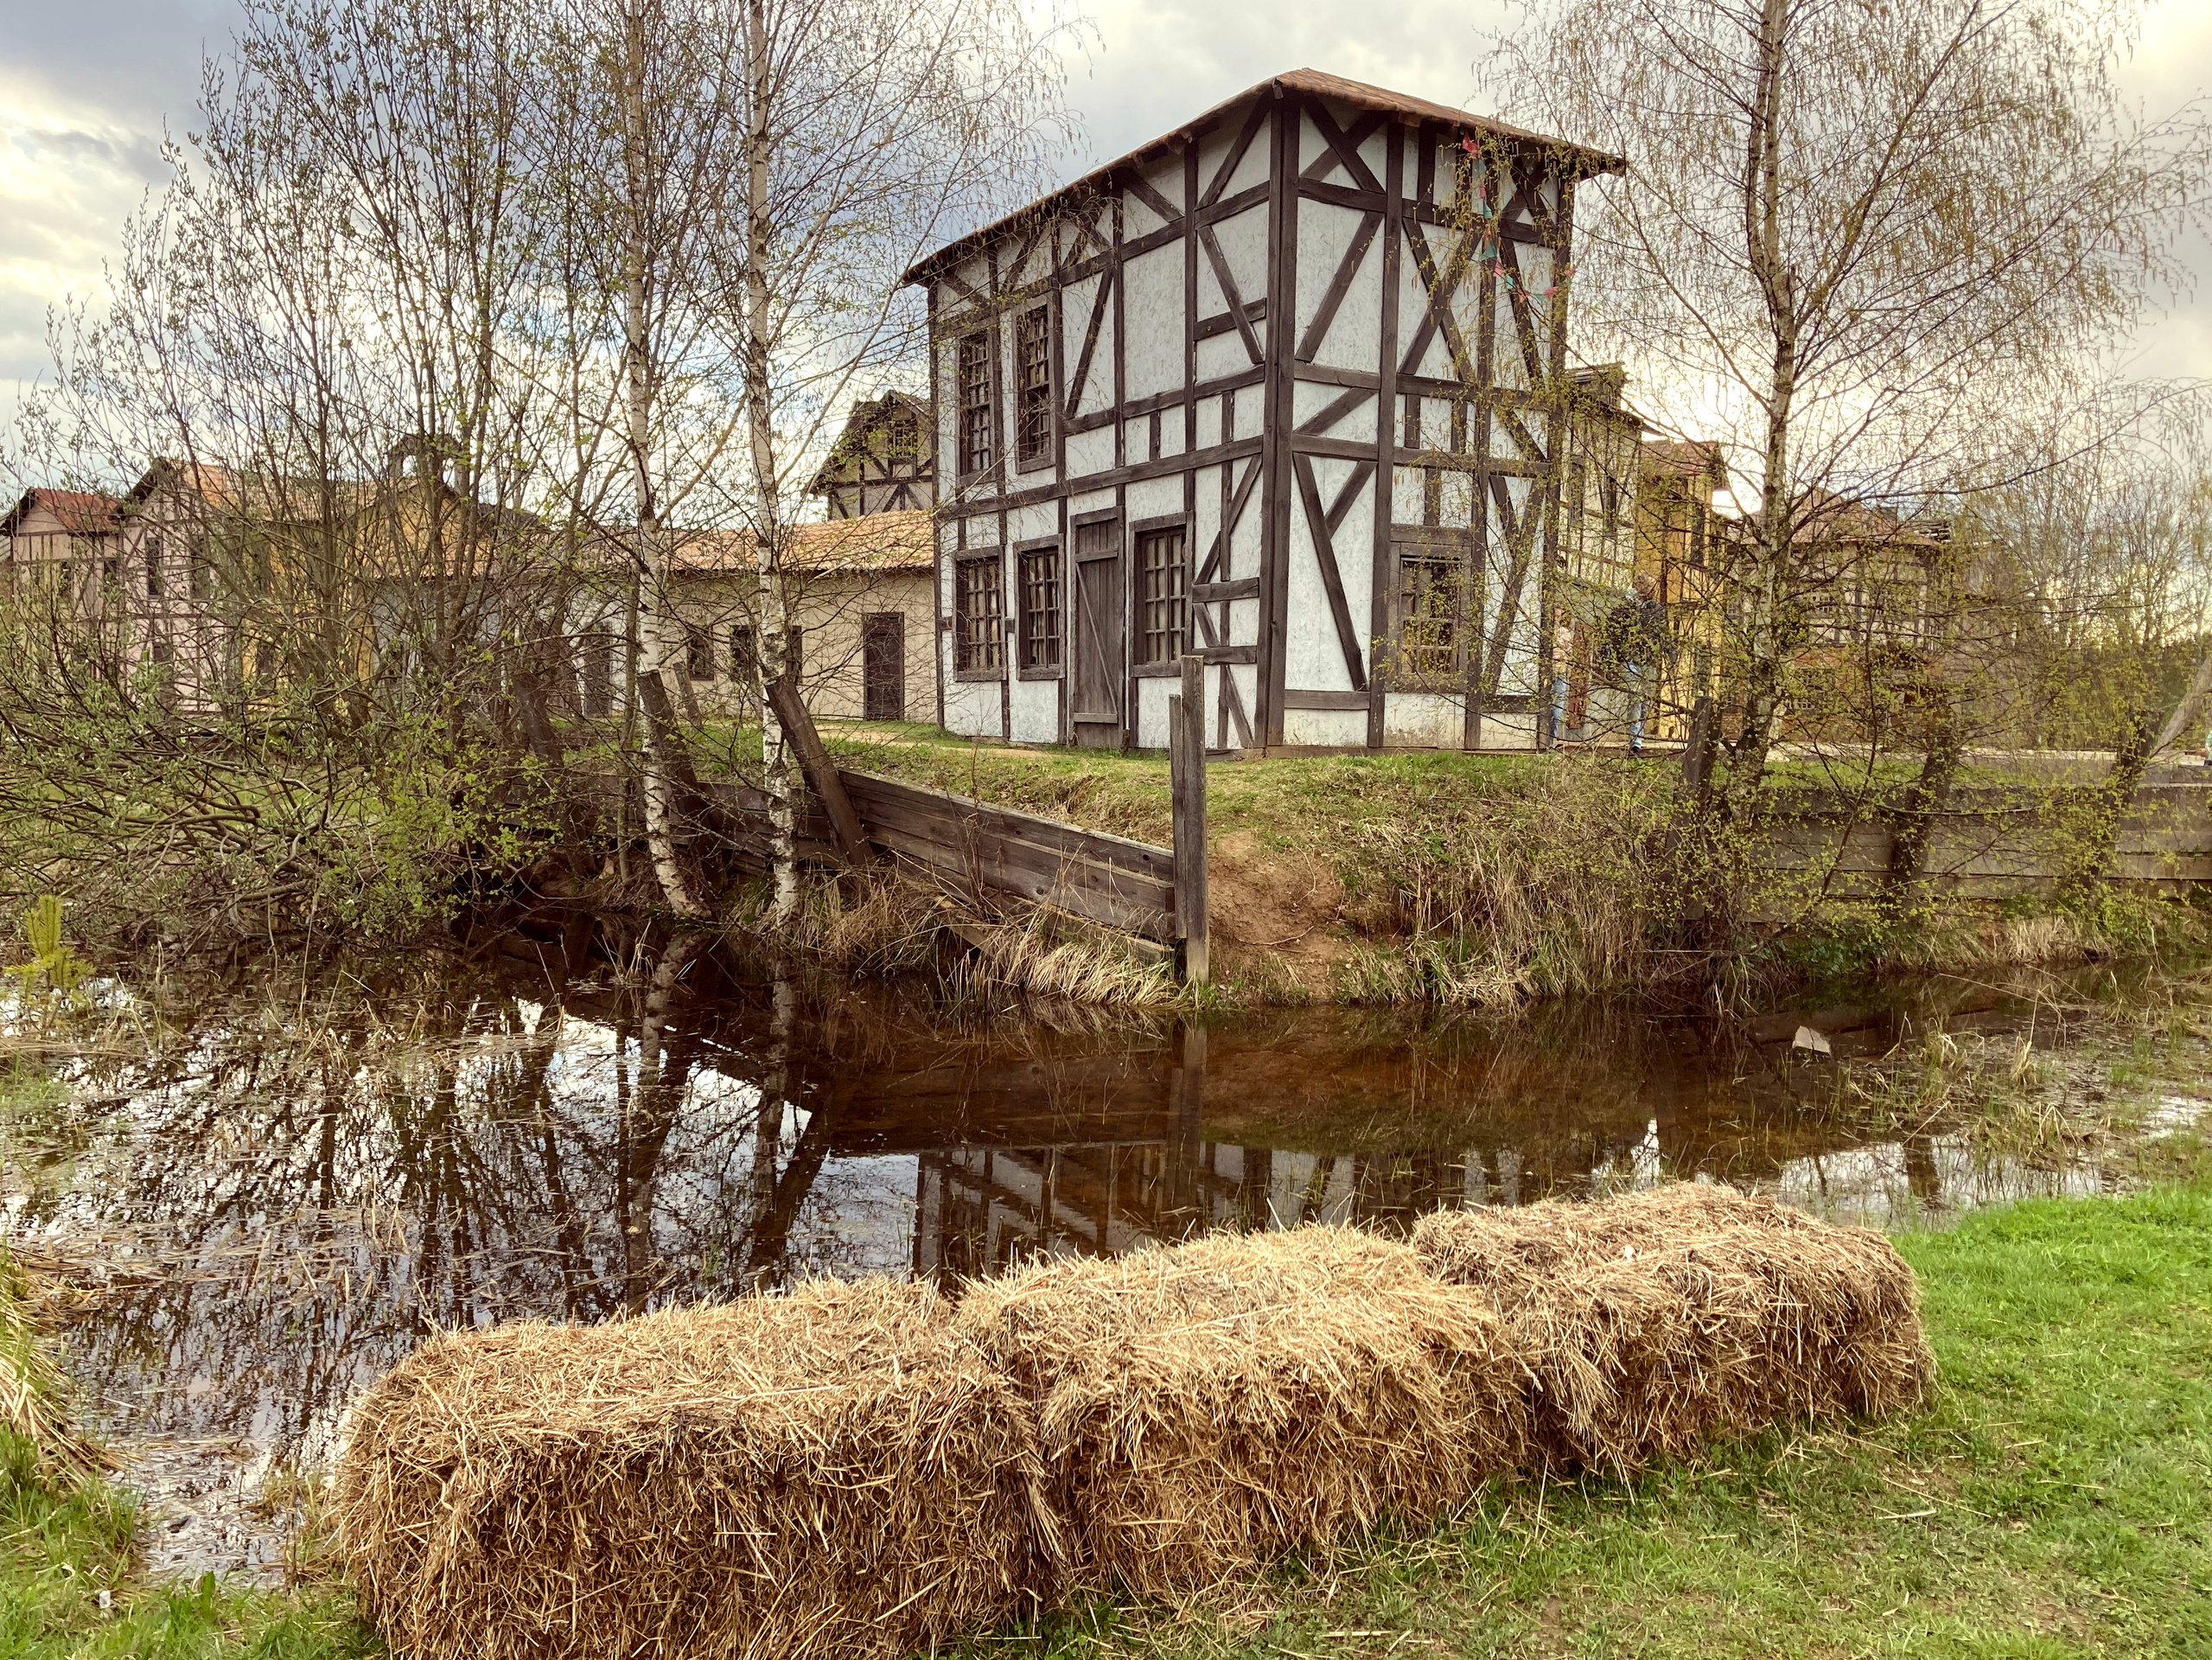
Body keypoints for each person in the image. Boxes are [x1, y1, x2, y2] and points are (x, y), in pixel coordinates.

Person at [1602, 574, 1670, 755]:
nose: (1650, 591)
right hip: (1629, 660)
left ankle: (1637, 737)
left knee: (1645, 702)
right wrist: (1609, 661)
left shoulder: (1656, 609)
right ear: (1640, 586)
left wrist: (1671, 655)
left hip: (1648, 662)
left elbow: (1664, 633)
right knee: (1636, 698)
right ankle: (1635, 743)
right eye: (1647, 586)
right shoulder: (1625, 607)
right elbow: (1610, 634)